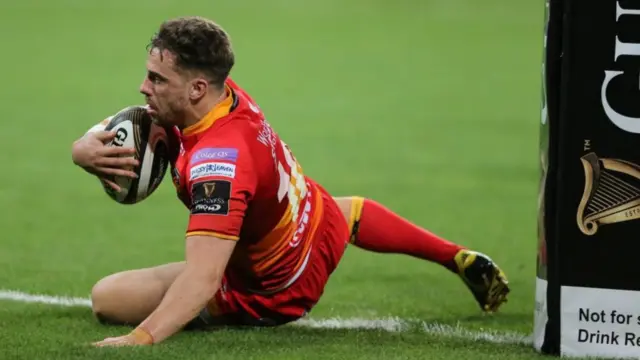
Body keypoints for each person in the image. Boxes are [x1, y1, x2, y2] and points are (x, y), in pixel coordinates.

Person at [71, 16, 510, 347]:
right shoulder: (225, 97)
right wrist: (82, 151)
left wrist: (140, 339)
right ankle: (455, 257)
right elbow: (140, 122)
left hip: (272, 287)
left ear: (197, 88)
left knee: (106, 299)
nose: (142, 87)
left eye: (156, 79)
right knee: (343, 210)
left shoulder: (217, 165)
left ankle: (237, 306)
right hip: (312, 218)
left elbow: (204, 278)